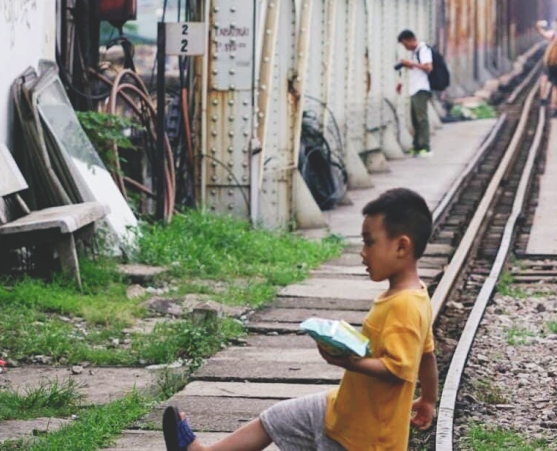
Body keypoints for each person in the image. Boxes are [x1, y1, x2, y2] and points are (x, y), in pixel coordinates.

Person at [162, 187, 438, 451]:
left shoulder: (405, 306)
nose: (363, 252)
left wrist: (349, 362)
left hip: (364, 436)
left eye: (369, 242)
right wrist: (427, 399)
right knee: (275, 420)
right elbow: (427, 355)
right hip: (342, 407)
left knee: (276, 421)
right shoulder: (415, 296)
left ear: (402, 247)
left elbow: (397, 370)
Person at [395, 30, 433, 157]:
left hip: (421, 89)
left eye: (404, 44)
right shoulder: (415, 52)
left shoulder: (423, 50)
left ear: (409, 40)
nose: (405, 47)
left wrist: (411, 64)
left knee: (422, 119)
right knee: (415, 120)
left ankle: (425, 147)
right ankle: (417, 146)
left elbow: (428, 67)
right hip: (414, 89)